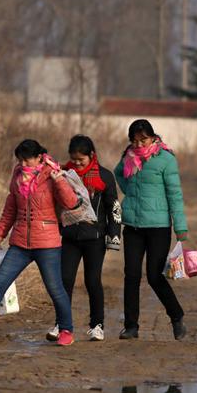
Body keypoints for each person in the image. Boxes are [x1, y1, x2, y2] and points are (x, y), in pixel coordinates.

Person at [0, 139, 79, 346]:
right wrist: (0, 233)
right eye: (20, 160)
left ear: (39, 157)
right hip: (20, 242)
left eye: (26, 160)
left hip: (47, 243)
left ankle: (66, 330)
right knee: (0, 282)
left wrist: (59, 181)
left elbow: (71, 203)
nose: (23, 164)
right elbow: (11, 207)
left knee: (55, 288)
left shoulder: (53, 174)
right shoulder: (17, 177)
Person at [115, 119, 188, 341]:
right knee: (131, 275)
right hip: (133, 227)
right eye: (134, 140)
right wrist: (130, 192)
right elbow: (119, 174)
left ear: (153, 137)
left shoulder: (165, 159)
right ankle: (131, 327)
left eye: (143, 139)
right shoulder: (127, 157)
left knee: (155, 276)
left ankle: (176, 316)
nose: (138, 145)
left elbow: (175, 195)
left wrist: (181, 228)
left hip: (159, 227)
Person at [46, 135, 121, 343]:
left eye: (82, 160)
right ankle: (61, 324)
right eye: (74, 160)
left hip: (95, 238)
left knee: (92, 281)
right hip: (69, 236)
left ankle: (97, 326)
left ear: (91, 156)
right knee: (65, 280)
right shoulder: (63, 175)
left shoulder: (104, 177)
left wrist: (114, 234)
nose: (77, 164)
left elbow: (113, 207)